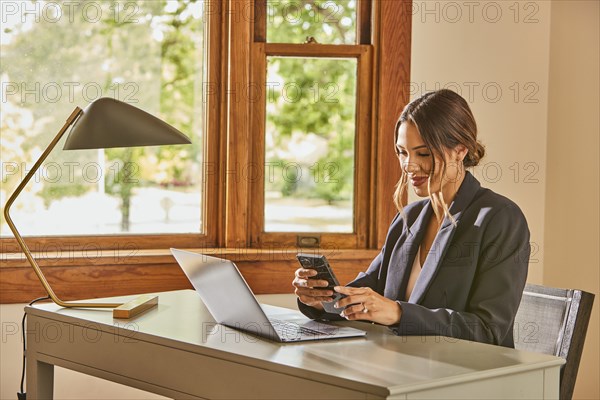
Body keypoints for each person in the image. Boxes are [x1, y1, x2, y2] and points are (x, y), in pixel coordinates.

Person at [292, 89, 530, 347]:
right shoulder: (409, 218)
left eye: (423, 153)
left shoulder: (500, 219)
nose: (409, 166)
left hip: (465, 376)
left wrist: (398, 313)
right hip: (403, 368)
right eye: (402, 152)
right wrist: (321, 300)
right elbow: (369, 293)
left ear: (460, 150)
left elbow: (488, 330)